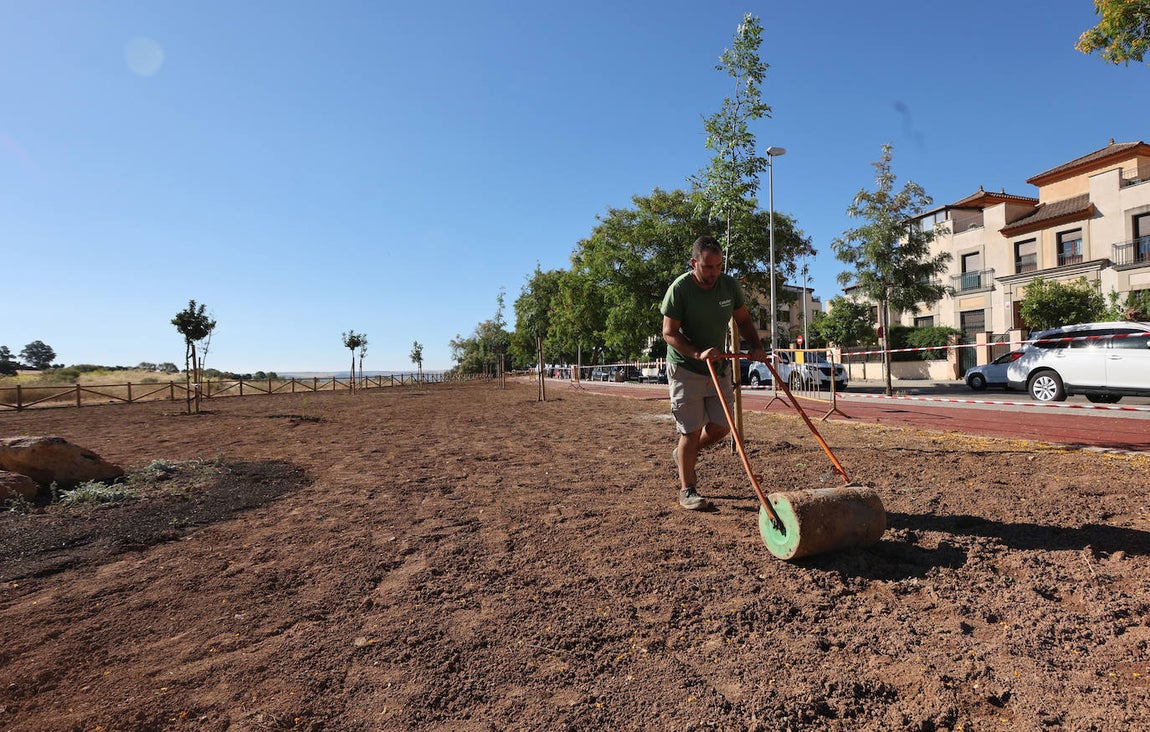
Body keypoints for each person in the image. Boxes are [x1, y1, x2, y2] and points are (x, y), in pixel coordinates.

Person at [660, 235, 769, 510]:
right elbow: (669, 333)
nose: (714, 273)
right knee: (691, 431)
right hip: (686, 367)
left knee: (722, 426)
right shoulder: (680, 289)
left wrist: (756, 346)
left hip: (717, 366)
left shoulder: (728, 285)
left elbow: (742, 319)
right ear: (694, 262)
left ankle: (684, 454)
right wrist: (697, 353)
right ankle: (687, 489)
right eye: (708, 267)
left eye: (718, 266)